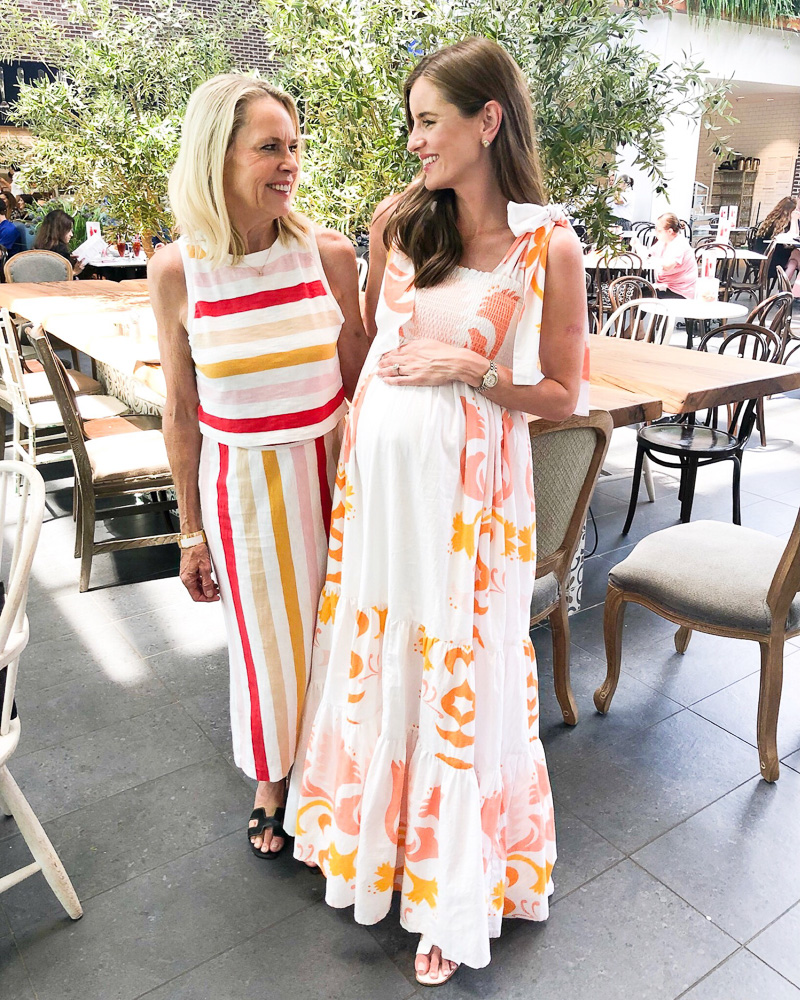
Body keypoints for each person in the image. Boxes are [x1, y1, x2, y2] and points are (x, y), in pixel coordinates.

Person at [286, 37, 589, 985]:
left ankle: (453, 893)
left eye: (429, 121)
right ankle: (374, 849)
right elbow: (380, 351)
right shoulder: (398, 222)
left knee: (455, 671)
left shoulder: (549, 243)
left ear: (486, 121)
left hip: (472, 506)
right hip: (385, 495)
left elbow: (564, 396)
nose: (414, 141)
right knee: (386, 658)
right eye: (411, 122)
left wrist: (478, 370)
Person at [149, 74, 368, 862]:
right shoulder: (178, 272)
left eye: (295, 147)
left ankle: (334, 774)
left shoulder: (331, 255)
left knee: (339, 635)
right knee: (265, 646)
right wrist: (189, 533)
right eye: (269, 146)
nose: (289, 163)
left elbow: (361, 383)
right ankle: (271, 782)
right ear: (218, 154)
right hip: (240, 483)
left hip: (331, 471)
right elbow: (180, 412)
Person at [643, 212, 696, 299]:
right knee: (635, 292)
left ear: (670, 231)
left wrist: (651, 258)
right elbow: (648, 254)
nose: (656, 233)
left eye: (659, 231)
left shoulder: (679, 243)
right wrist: (637, 245)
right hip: (665, 286)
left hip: (680, 292)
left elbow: (668, 266)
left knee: (638, 296)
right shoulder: (663, 241)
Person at [754, 196, 800, 281]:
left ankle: (783, 290)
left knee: (793, 262)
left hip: (767, 256)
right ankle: (789, 289)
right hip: (767, 259)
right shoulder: (778, 224)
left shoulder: (772, 220)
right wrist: (794, 220)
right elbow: (793, 236)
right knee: (796, 254)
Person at [33, 209, 85, 275]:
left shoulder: (38, 246)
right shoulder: (61, 248)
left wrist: (67, 257)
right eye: (69, 230)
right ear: (59, 230)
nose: (71, 234)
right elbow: (58, 277)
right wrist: (74, 272)